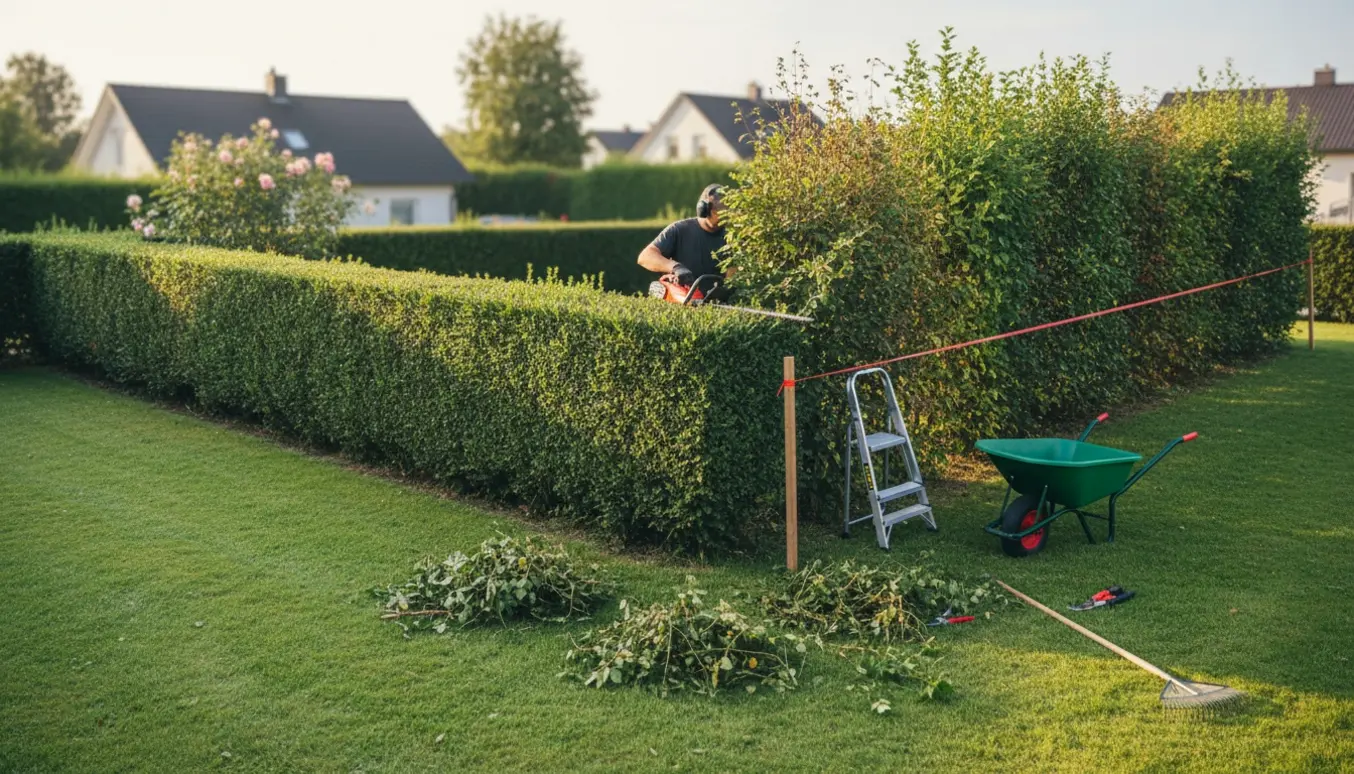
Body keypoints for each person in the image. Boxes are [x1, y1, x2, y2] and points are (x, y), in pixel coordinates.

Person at [637, 184, 730, 291]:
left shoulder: (731, 236)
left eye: (726, 212)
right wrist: (676, 267)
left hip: (717, 301)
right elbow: (645, 256)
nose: (723, 217)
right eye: (718, 212)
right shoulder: (679, 229)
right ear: (703, 209)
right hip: (683, 297)